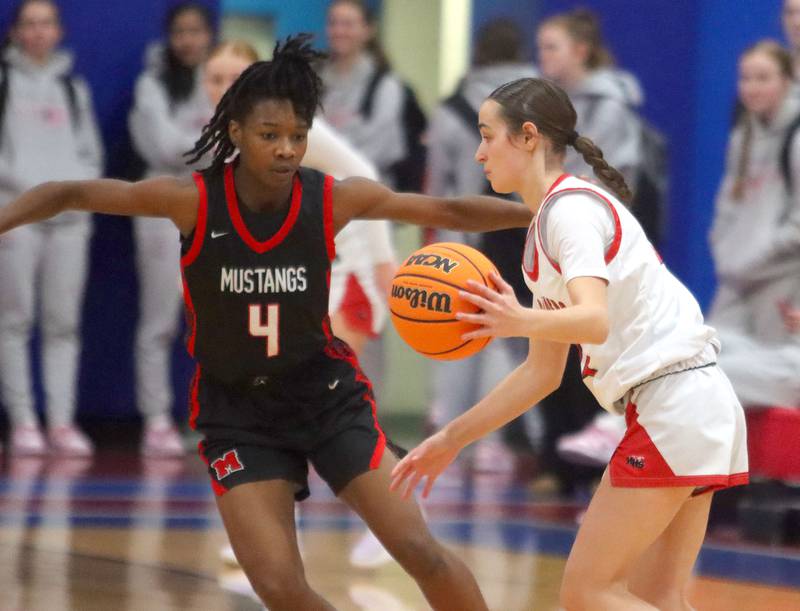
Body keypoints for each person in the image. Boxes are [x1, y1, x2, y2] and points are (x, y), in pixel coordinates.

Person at [0, 35, 533, 610]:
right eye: (270, 135)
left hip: (327, 399)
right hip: (239, 416)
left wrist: (544, 209)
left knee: (418, 549)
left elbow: (448, 210)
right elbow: (66, 191)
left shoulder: (331, 199)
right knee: (279, 587)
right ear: (234, 133)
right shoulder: (193, 202)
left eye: (298, 137)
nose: (286, 150)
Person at [391, 77, 748, 611]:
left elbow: (593, 321)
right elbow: (541, 374)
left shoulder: (570, 213)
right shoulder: (549, 226)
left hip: (674, 405)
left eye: (489, 136)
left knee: (588, 594)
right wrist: (450, 439)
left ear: (528, 136)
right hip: (695, 402)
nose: (479, 151)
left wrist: (518, 319)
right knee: (658, 598)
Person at [203, 39, 397, 570]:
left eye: (233, 77)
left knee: (314, 396)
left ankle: (395, 502)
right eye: (214, 78)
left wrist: (384, 264)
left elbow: (364, 175)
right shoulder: (233, 143)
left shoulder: (288, 127)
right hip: (300, 280)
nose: (222, 88)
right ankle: (280, 533)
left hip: (349, 271)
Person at [535, 8, 647, 478]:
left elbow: (618, 179)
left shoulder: (611, 106)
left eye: (551, 48)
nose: (541, 58)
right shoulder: (547, 106)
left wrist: (573, 206)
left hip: (599, 243)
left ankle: (596, 462)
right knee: (553, 350)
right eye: (539, 48)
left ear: (580, 52)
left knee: (593, 350)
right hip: (561, 240)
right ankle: (558, 461)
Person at [425, 18, 539, 474]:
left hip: (463, 236)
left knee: (457, 338)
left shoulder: (453, 107)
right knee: (518, 342)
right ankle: (511, 440)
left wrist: (433, 239)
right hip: (527, 231)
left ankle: (450, 432)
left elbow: (437, 184)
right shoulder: (538, 102)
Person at [0, 0, 103, 456]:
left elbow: (90, 154)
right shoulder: (5, 83)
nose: (38, 32)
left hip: (69, 224)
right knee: (15, 321)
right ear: (18, 31)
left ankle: (61, 422)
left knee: (63, 324)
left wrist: (71, 196)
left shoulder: (72, 87)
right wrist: (28, 197)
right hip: (16, 218)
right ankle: (23, 422)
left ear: (58, 31)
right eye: (30, 24)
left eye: (46, 23)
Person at [128, 2, 214, 457]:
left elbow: (241, 141)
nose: (188, 40)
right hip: (162, 212)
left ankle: (220, 417)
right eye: (180, 32)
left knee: (219, 322)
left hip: (216, 211)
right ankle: (157, 419)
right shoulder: (152, 84)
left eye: (196, 31)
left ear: (208, 35)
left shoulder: (222, 82)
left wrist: (204, 148)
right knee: (159, 320)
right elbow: (162, 147)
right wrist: (211, 144)